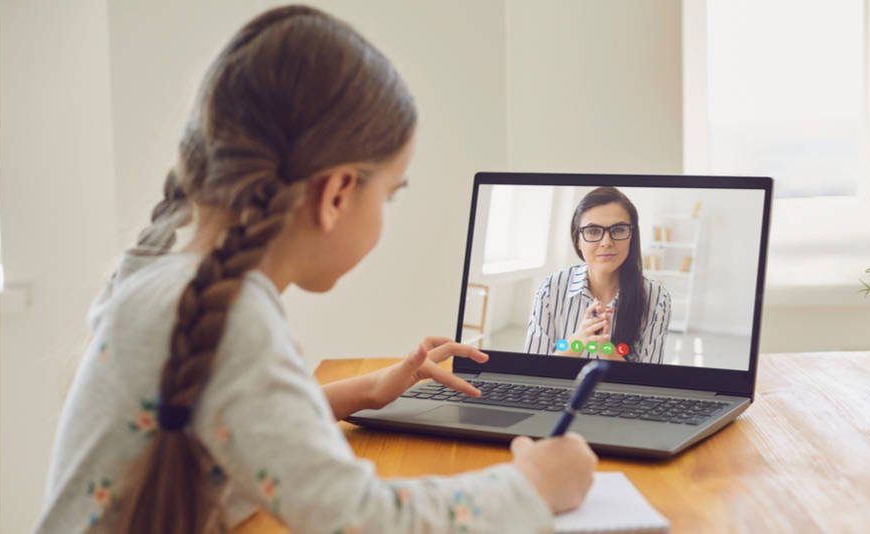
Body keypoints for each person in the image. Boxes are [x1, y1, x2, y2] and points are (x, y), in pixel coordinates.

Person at [34, 6, 596, 534]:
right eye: (391, 195)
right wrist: (530, 486)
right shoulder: (236, 320)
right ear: (336, 195)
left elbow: (238, 425)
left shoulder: (155, 273)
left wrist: (367, 390)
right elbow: (362, 518)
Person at [524, 187, 671, 363]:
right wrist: (578, 341)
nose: (606, 242)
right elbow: (534, 371)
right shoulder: (550, 288)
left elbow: (647, 384)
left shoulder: (657, 298)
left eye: (618, 230)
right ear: (578, 240)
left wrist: (605, 348)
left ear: (632, 236)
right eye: (593, 231)